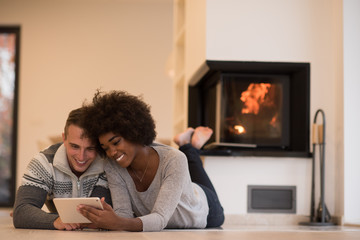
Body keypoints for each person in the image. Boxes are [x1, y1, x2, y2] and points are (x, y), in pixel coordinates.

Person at [77, 90, 224, 231]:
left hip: (204, 209)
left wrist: (118, 223)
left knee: (186, 165)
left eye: (115, 142)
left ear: (132, 131)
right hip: (182, 186)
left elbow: (160, 218)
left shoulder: (173, 159)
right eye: (105, 148)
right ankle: (188, 144)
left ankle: (190, 146)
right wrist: (109, 219)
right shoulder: (113, 166)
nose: (112, 152)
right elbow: (124, 216)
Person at [12, 108, 112, 230]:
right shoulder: (43, 163)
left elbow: (97, 216)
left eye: (90, 148)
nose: (81, 157)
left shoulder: (107, 164)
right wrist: (56, 220)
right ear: (64, 138)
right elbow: (21, 213)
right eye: (74, 146)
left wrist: (39, 217)